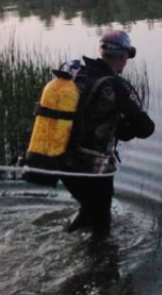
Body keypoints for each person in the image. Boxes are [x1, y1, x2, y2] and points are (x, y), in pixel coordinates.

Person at [62, 30, 155, 234]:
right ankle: (99, 263)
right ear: (122, 57)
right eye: (126, 58)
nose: (125, 63)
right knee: (101, 230)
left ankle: (70, 235)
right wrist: (126, 128)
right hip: (94, 168)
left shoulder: (77, 73)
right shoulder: (114, 85)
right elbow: (146, 128)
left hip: (62, 162)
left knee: (89, 209)